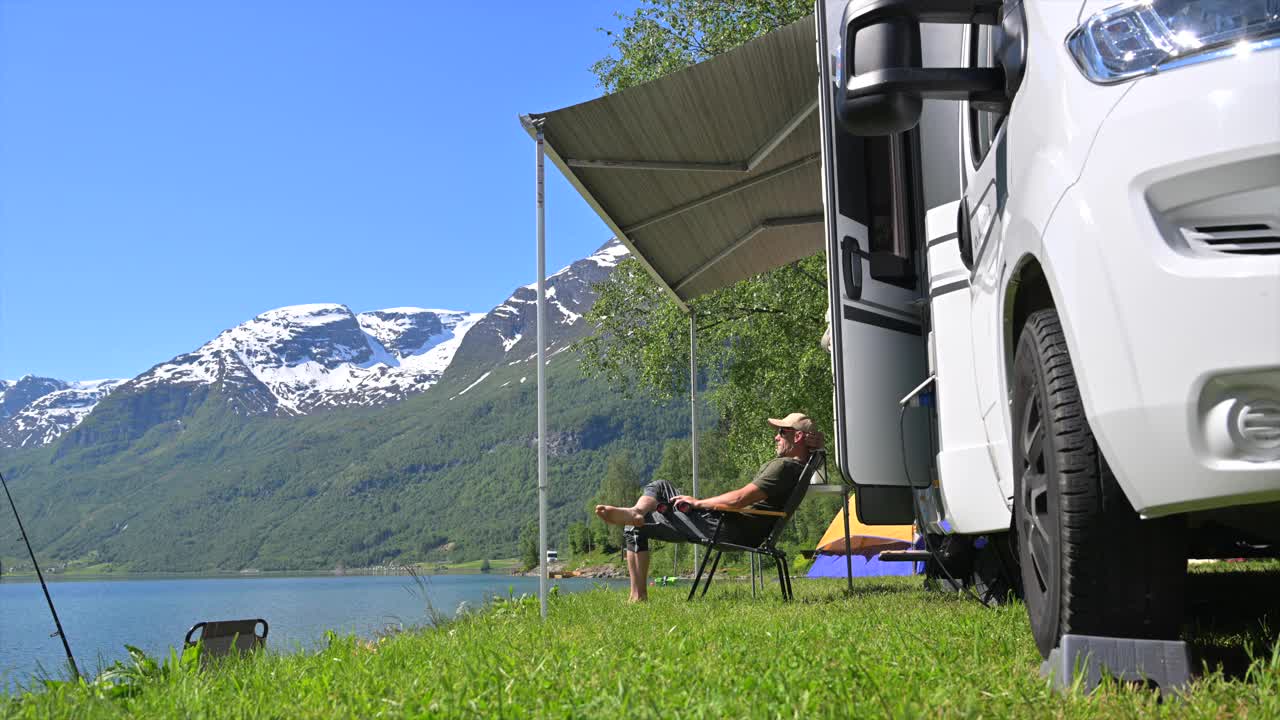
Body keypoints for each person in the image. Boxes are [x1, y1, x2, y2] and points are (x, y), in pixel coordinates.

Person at [594, 412, 822, 602]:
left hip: (729, 529)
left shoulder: (783, 467)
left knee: (658, 492)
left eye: (782, 432)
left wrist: (698, 503)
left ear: (799, 436)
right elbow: (819, 452)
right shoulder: (805, 466)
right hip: (739, 528)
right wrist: (819, 444)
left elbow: (739, 499)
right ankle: (637, 520)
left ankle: (639, 515)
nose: (776, 437)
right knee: (636, 524)